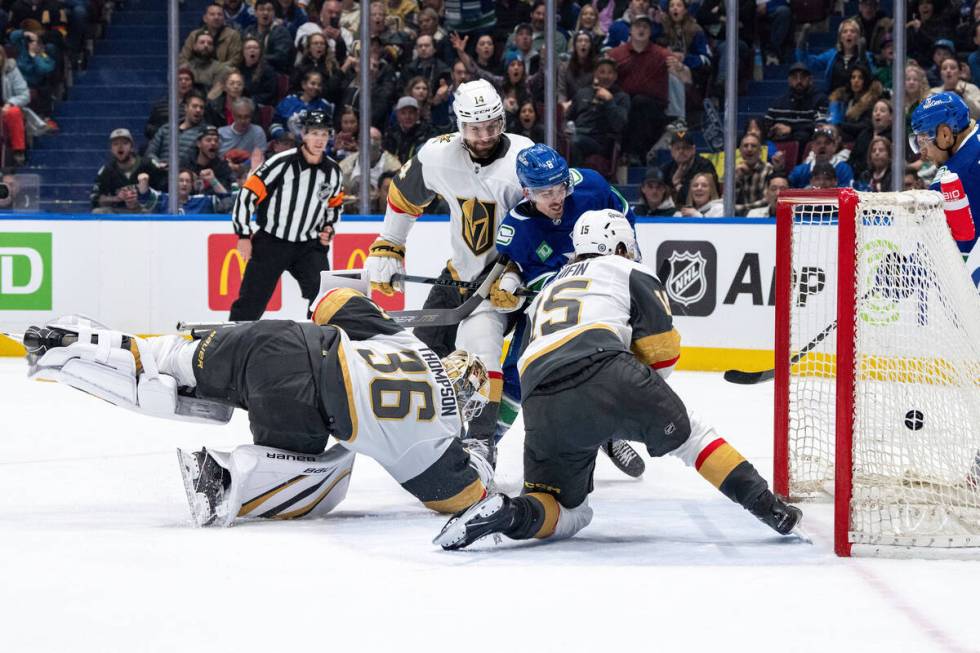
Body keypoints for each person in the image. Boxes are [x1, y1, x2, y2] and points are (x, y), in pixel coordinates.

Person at [433, 209, 804, 550]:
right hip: (607, 368)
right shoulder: (626, 269)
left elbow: (522, 360)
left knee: (569, 510)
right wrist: (636, 409)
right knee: (693, 437)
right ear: (621, 245)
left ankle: (509, 513)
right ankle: (769, 508)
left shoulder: (544, 289)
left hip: (541, 400)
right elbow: (662, 350)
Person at [24, 293, 494, 528]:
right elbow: (459, 498)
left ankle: (75, 348)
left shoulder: (409, 343)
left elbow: (331, 302)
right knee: (331, 477)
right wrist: (478, 456)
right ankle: (228, 478)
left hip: (278, 339)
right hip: (299, 401)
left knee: (165, 365)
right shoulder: (437, 431)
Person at [364, 79, 535, 464]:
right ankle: (428, 435)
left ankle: (481, 441)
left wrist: (519, 272)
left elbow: (547, 220)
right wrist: (390, 242)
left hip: (508, 280)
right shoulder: (438, 155)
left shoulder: (524, 157)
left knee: (484, 352)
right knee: (424, 354)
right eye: (476, 128)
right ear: (459, 125)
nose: (486, 135)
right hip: (458, 275)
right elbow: (404, 194)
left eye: (493, 124)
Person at [493, 143, 645, 477]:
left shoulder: (590, 186)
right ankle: (486, 442)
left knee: (614, 366)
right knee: (518, 371)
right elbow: (528, 276)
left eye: (560, 186)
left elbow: (622, 211)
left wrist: (630, 251)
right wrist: (514, 287)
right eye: (545, 192)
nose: (556, 197)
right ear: (527, 192)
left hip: (604, 300)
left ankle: (610, 433)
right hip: (556, 309)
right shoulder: (517, 227)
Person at [230, 111, 343, 320]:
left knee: (325, 297)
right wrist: (243, 235)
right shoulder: (281, 163)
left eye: (324, 134)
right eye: (315, 133)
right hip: (272, 241)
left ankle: (319, 341)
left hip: (308, 245)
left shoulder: (333, 171)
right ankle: (233, 344)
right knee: (252, 300)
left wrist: (328, 227)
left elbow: (334, 205)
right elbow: (248, 194)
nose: (319, 139)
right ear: (304, 135)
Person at [910, 91, 980, 254]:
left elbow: (931, 252)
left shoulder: (951, 178)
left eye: (923, 141)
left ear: (945, 135)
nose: (923, 153)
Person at [565, 57, 630, 167]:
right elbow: (569, 117)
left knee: (576, 142)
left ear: (615, 76)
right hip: (578, 133)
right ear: (595, 74)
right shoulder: (583, 93)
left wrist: (609, 101)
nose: (605, 76)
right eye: (602, 72)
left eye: (610, 73)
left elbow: (619, 125)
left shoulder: (621, 97)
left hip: (601, 140)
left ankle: (576, 179)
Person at [90, 129, 164, 214]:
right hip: (119, 212)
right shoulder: (107, 170)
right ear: (111, 149)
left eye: (124, 143)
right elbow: (96, 198)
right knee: (98, 212)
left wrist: (143, 197)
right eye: (115, 144)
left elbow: (163, 192)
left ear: (132, 147)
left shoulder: (147, 164)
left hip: (145, 211)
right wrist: (117, 198)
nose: (120, 147)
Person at [764, 62, 829, 148]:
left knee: (803, 136)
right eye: (795, 77)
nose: (799, 81)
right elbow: (765, 126)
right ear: (789, 81)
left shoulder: (820, 100)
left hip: (806, 143)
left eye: (803, 77)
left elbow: (820, 126)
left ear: (810, 80)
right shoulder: (778, 103)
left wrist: (791, 129)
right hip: (778, 143)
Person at [146, 90, 211, 169]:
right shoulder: (166, 129)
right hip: (161, 173)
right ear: (186, 107)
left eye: (201, 108)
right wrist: (159, 165)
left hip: (186, 177)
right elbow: (150, 154)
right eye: (194, 106)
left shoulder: (205, 134)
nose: (198, 110)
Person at [134, 168, 230, 214]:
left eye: (187, 181)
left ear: (192, 185)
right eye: (180, 181)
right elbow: (145, 198)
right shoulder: (163, 199)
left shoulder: (202, 201)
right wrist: (143, 182)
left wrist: (213, 180)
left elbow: (227, 202)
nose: (184, 184)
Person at [788, 124, 854, 189]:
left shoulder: (844, 169)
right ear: (812, 147)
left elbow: (847, 193)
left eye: (827, 143)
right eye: (818, 143)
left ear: (835, 146)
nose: (822, 146)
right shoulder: (801, 170)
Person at [180, 3, 243, 68]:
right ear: (205, 18)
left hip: (224, 75)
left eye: (219, 14)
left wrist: (216, 70)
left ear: (224, 18)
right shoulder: (194, 35)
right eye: (212, 14)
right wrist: (194, 71)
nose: (216, 17)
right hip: (197, 75)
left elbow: (236, 60)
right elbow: (183, 59)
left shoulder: (233, 35)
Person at [660, 129, 716, 203]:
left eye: (685, 147)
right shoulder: (666, 169)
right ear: (672, 152)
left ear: (693, 150)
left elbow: (698, 198)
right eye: (677, 148)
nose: (681, 151)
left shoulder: (705, 166)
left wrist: (677, 182)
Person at [181, 125, 236, 190]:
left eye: (216, 140)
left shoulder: (222, 166)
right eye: (208, 140)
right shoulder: (186, 164)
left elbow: (226, 194)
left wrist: (213, 181)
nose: (213, 143)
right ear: (199, 143)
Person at [734, 132, 774, 216]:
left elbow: (767, 201)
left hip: (761, 217)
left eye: (753, 146)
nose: (749, 149)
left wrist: (739, 208)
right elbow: (727, 201)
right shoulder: (734, 171)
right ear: (740, 151)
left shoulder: (768, 169)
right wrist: (736, 178)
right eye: (745, 146)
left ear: (760, 151)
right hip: (738, 219)